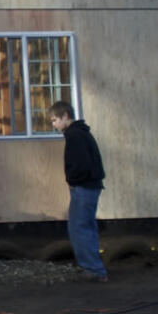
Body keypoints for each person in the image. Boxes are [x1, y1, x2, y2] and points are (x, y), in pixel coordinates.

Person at [50, 101, 108, 282]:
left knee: (79, 227)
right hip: (90, 186)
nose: (53, 125)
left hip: (83, 187)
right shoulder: (82, 132)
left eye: (54, 120)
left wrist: (73, 180)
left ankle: (92, 269)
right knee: (86, 226)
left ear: (65, 115)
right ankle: (93, 267)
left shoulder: (74, 135)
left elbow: (81, 164)